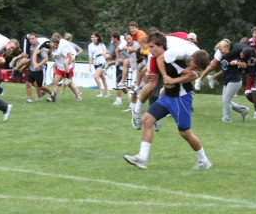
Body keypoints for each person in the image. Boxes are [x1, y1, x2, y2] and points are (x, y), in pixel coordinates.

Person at [123, 32, 212, 170]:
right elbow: (157, 68)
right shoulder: (162, 56)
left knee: (184, 132)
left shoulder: (173, 57)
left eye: (152, 47)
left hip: (181, 98)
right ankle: (142, 158)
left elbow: (192, 74)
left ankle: (204, 160)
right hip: (167, 97)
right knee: (147, 120)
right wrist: (161, 78)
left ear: (161, 46)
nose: (150, 51)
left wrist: (171, 80)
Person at [26, 33, 52, 103]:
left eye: (33, 39)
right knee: (28, 83)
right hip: (31, 69)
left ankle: (52, 93)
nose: (31, 40)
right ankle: (29, 99)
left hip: (39, 70)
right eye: (30, 39)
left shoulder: (40, 48)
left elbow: (45, 58)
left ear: (36, 39)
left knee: (40, 86)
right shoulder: (30, 46)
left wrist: (38, 65)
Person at [88, 32, 110, 97]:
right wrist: (90, 65)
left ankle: (100, 92)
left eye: (94, 37)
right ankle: (108, 92)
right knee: (103, 78)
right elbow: (90, 56)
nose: (92, 38)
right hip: (95, 64)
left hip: (102, 63)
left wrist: (109, 62)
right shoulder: (90, 45)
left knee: (96, 77)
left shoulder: (101, 45)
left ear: (97, 37)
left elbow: (106, 54)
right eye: (91, 37)